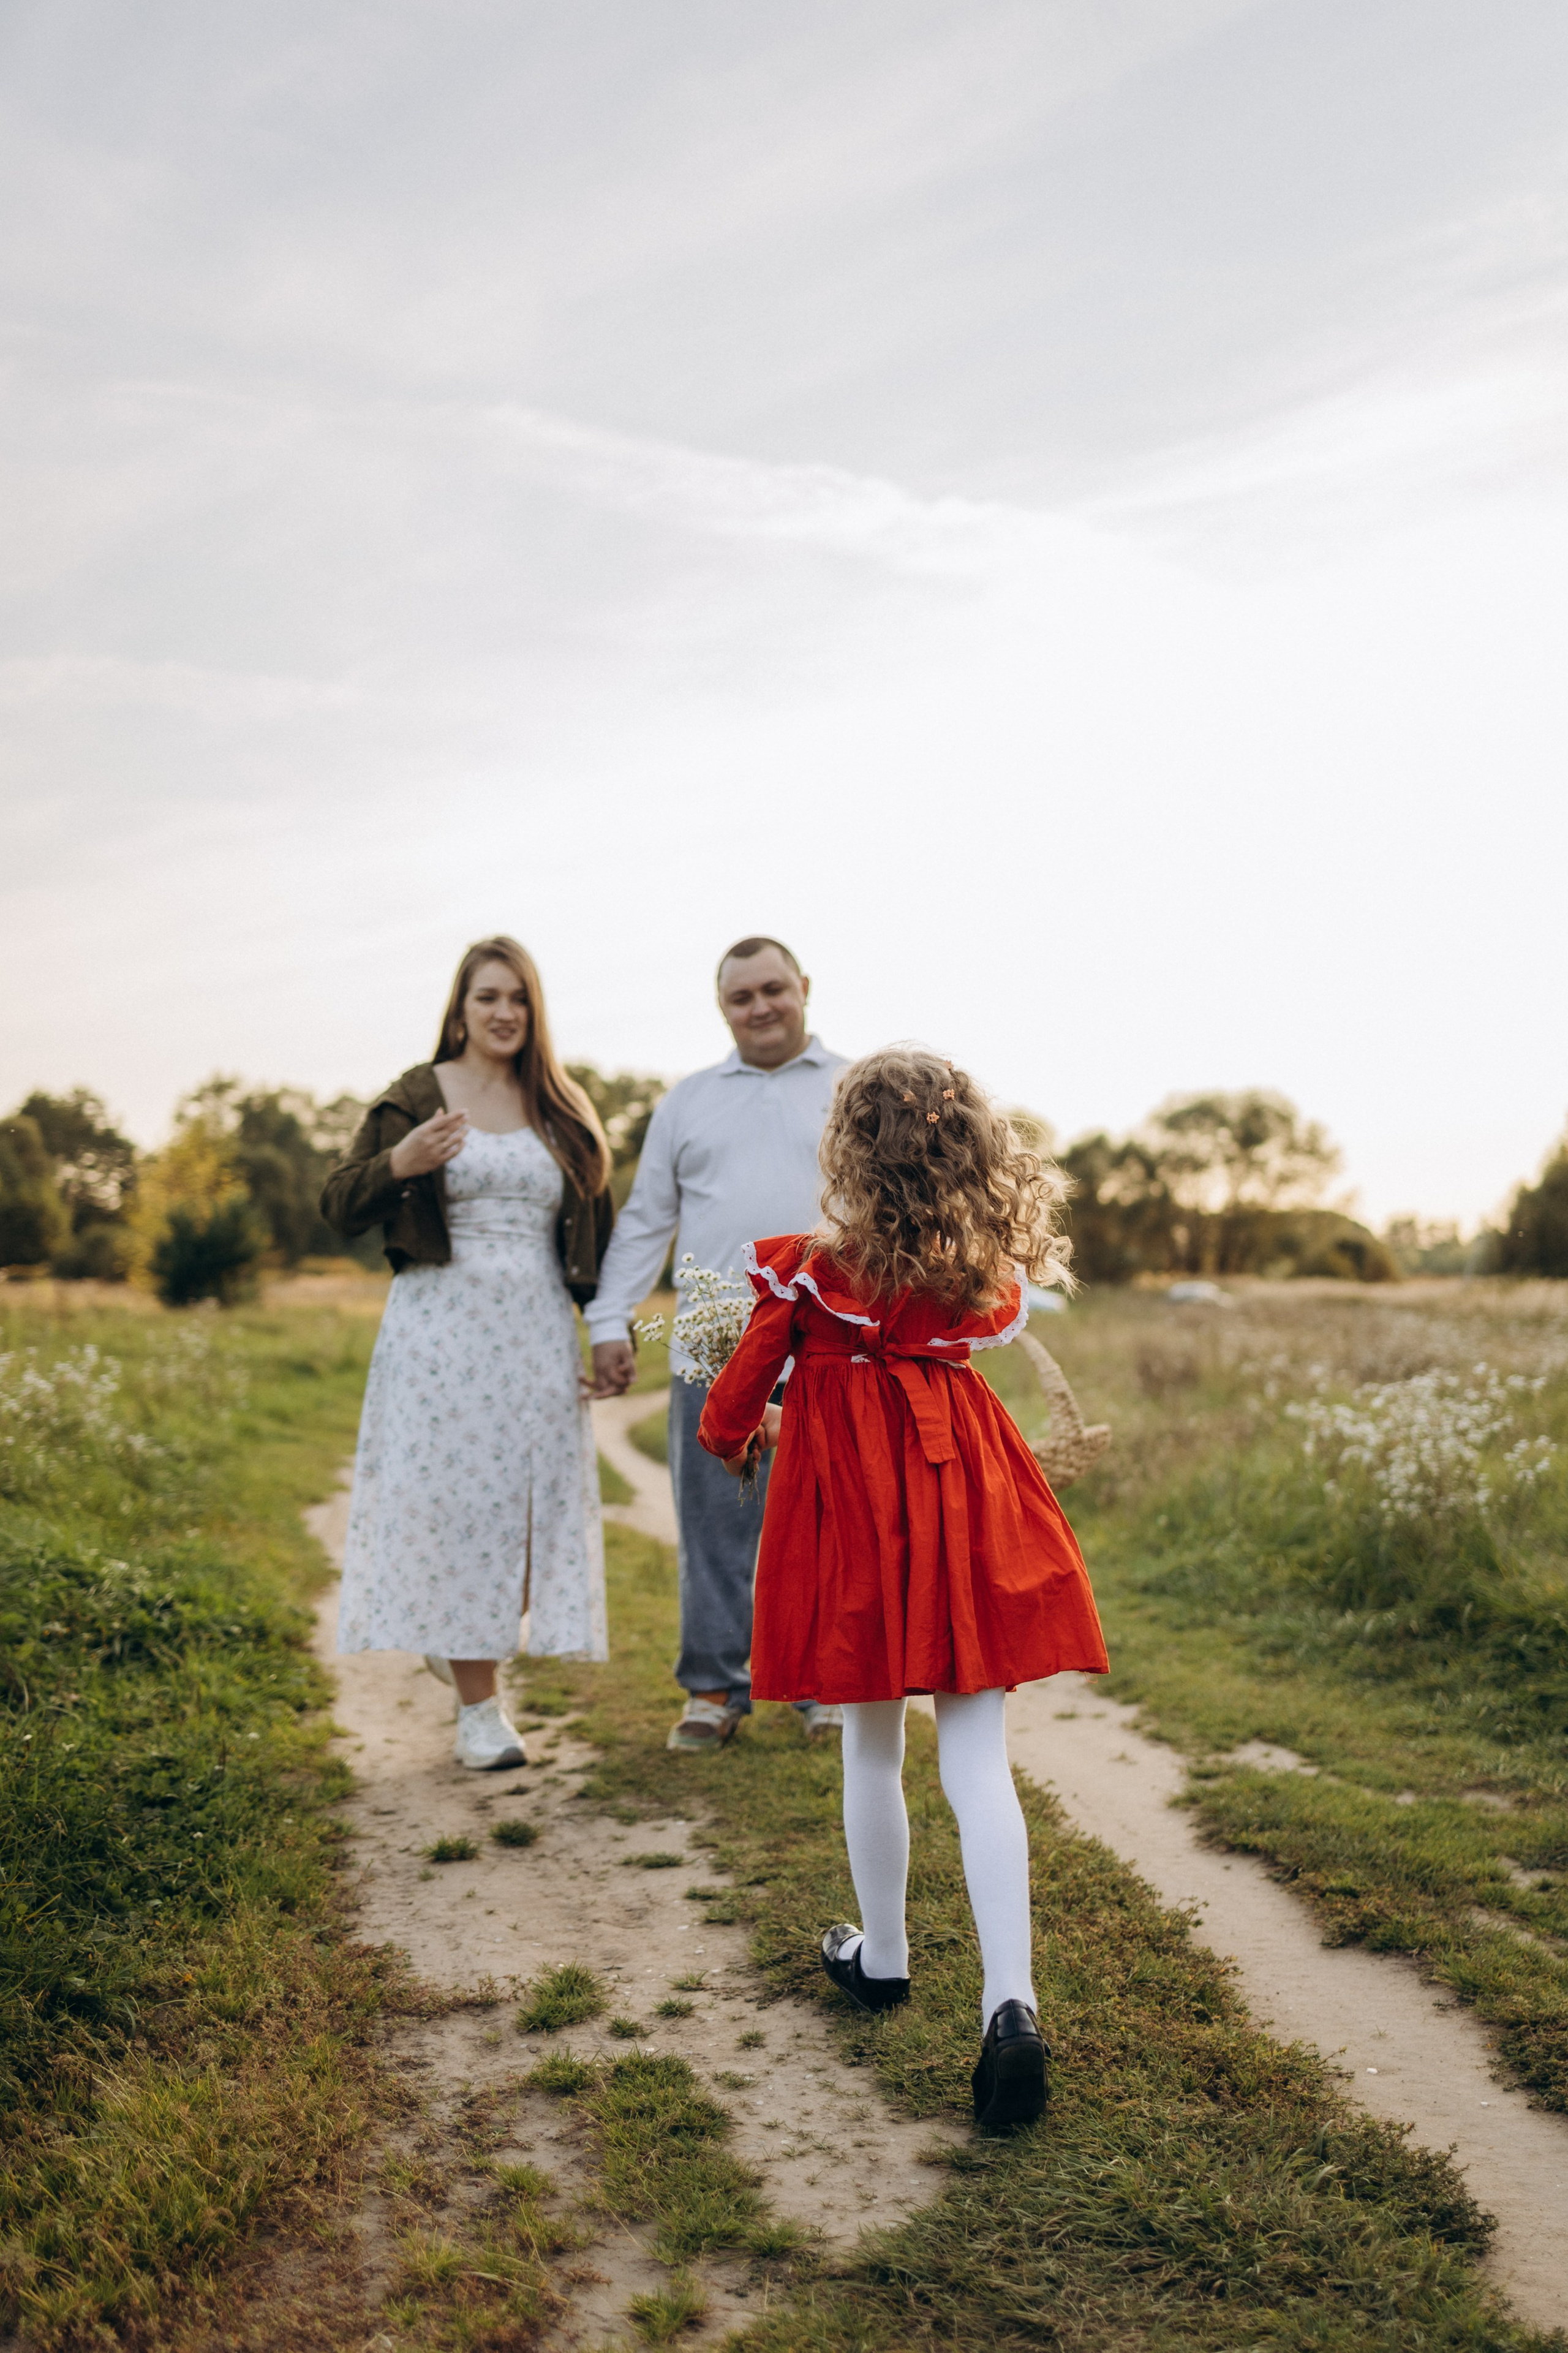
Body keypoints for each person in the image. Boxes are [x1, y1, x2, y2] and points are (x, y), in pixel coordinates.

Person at [696, 1046, 1109, 2131]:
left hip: (857, 1526)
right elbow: (955, 1356)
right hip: (967, 1496)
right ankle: (1009, 2004)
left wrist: (741, 1434)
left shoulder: (813, 1272)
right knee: (979, 1758)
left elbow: (730, 1404)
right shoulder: (978, 1276)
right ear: (968, 1149)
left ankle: (883, 1957)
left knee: (871, 1740)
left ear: (849, 1149)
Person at [321, 936, 616, 1770]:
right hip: (439, 1325)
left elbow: (600, 1227)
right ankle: (481, 1710)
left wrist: (604, 1327)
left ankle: (463, 1643)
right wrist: (398, 1162)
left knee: (531, 1513)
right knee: (460, 1509)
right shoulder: (417, 1095)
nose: (504, 1012)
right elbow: (338, 1201)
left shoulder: (561, 1106)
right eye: (489, 996)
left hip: (533, 1328)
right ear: (461, 1006)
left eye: (519, 998)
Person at [586, 937, 845, 1751]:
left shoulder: (854, 1087)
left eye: (775, 988)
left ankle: (823, 1688)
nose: (761, 1006)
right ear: (722, 1006)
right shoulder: (688, 1102)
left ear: (804, 987)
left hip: (832, 1330)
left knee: (829, 1517)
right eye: (742, 996)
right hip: (712, 1332)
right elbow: (647, 1218)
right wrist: (608, 1317)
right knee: (712, 1518)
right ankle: (713, 1687)